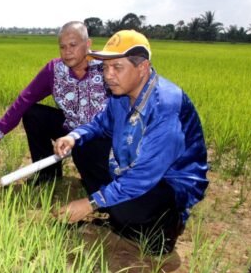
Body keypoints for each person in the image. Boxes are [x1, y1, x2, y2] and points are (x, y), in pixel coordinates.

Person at [53, 30, 208, 254]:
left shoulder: (165, 106)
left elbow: (144, 176)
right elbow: (99, 124)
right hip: (132, 167)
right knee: (84, 148)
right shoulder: (121, 94)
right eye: (105, 67)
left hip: (167, 183)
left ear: (142, 67)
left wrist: (89, 204)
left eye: (117, 67)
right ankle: (117, 212)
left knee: (126, 208)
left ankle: (164, 229)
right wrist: (73, 136)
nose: (108, 75)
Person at [0, 21, 109, 184]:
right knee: (33, 114)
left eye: (73, 45)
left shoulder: (107, 67)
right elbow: (26, 98)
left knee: (98, 185)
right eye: (62, 47)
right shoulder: (55, 70)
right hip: (70, 128)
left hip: (100, 135)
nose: (67, 52)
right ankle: (48, 175)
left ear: (88, 44)